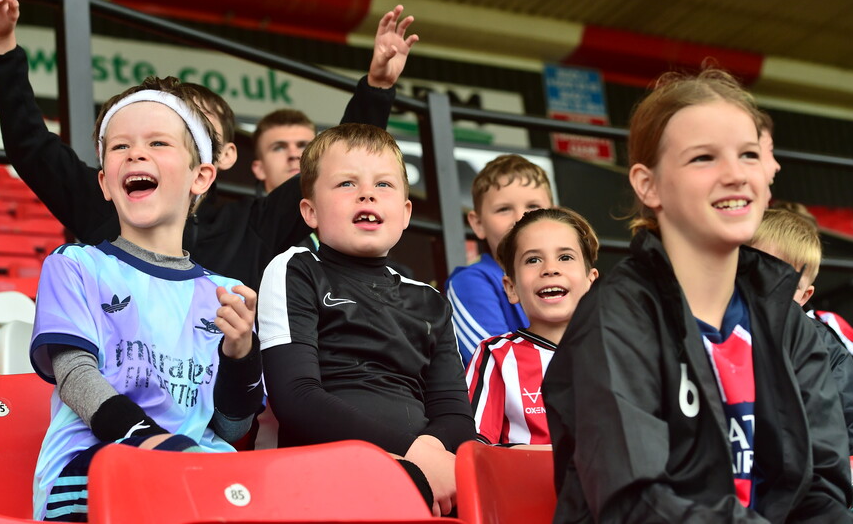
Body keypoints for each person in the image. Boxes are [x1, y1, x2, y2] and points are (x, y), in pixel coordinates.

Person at [543, 68, 852, 522]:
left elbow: (822, 488)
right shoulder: (614, 316)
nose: (735, 174)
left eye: (748, 154)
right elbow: (635, 501)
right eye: (704, 158)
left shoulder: (788, 321)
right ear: (647, 185)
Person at [0, 0, 417, 287]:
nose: (141, 151)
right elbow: (30, 146)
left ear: (215, 160)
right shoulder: (100, 203)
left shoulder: (253, 226)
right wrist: (3, 48)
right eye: (127, 142)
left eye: (173, 135)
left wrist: (376, 89)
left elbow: (341, 161)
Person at [26, 77, 263, 521]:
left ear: (201, 176)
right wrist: (149, 441)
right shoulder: (75, 264)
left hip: (195, 466)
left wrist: (240, 353)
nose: (136, 154)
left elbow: (235, 426)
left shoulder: (227, 294)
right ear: (104, 182)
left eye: (157, 142)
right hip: (93, 465)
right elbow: (76, 377)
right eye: (119, 147)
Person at [256, 123, 474, 516]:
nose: (367, 193)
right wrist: (414, 459)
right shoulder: (294, 269)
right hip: (323, 473)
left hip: (427, 472)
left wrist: (432, 461)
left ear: (406, 213)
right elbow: (297, 398)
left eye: (385, 185)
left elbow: (455, 414)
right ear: (310, 211)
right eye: (346, 184)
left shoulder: (429, 299)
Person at [466, 207, 598, 447]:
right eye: (533, 260)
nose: (550, 268)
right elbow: (474, 451)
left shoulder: (618, 353)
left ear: (591, 282)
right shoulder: (496, 355)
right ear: (511, 288)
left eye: (565, 257)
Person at [749, 207, 853, 454]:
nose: (772, 287)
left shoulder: (824, 344)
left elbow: (848, 427)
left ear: (805, 295)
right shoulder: (703, 322)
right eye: (762, 270)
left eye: (788, 281)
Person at [446, 154, 553, 365]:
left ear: (556, 217)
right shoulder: (470, 283)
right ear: (477, 223)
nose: (521, 218)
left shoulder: (569, 277)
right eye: (504, 209)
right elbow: (498, 369)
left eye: (533, 206)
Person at [250, 108, 315, 194]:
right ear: (260, 169)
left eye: (304, 146)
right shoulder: (234, 208)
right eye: (279, 148)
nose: (294, 154)